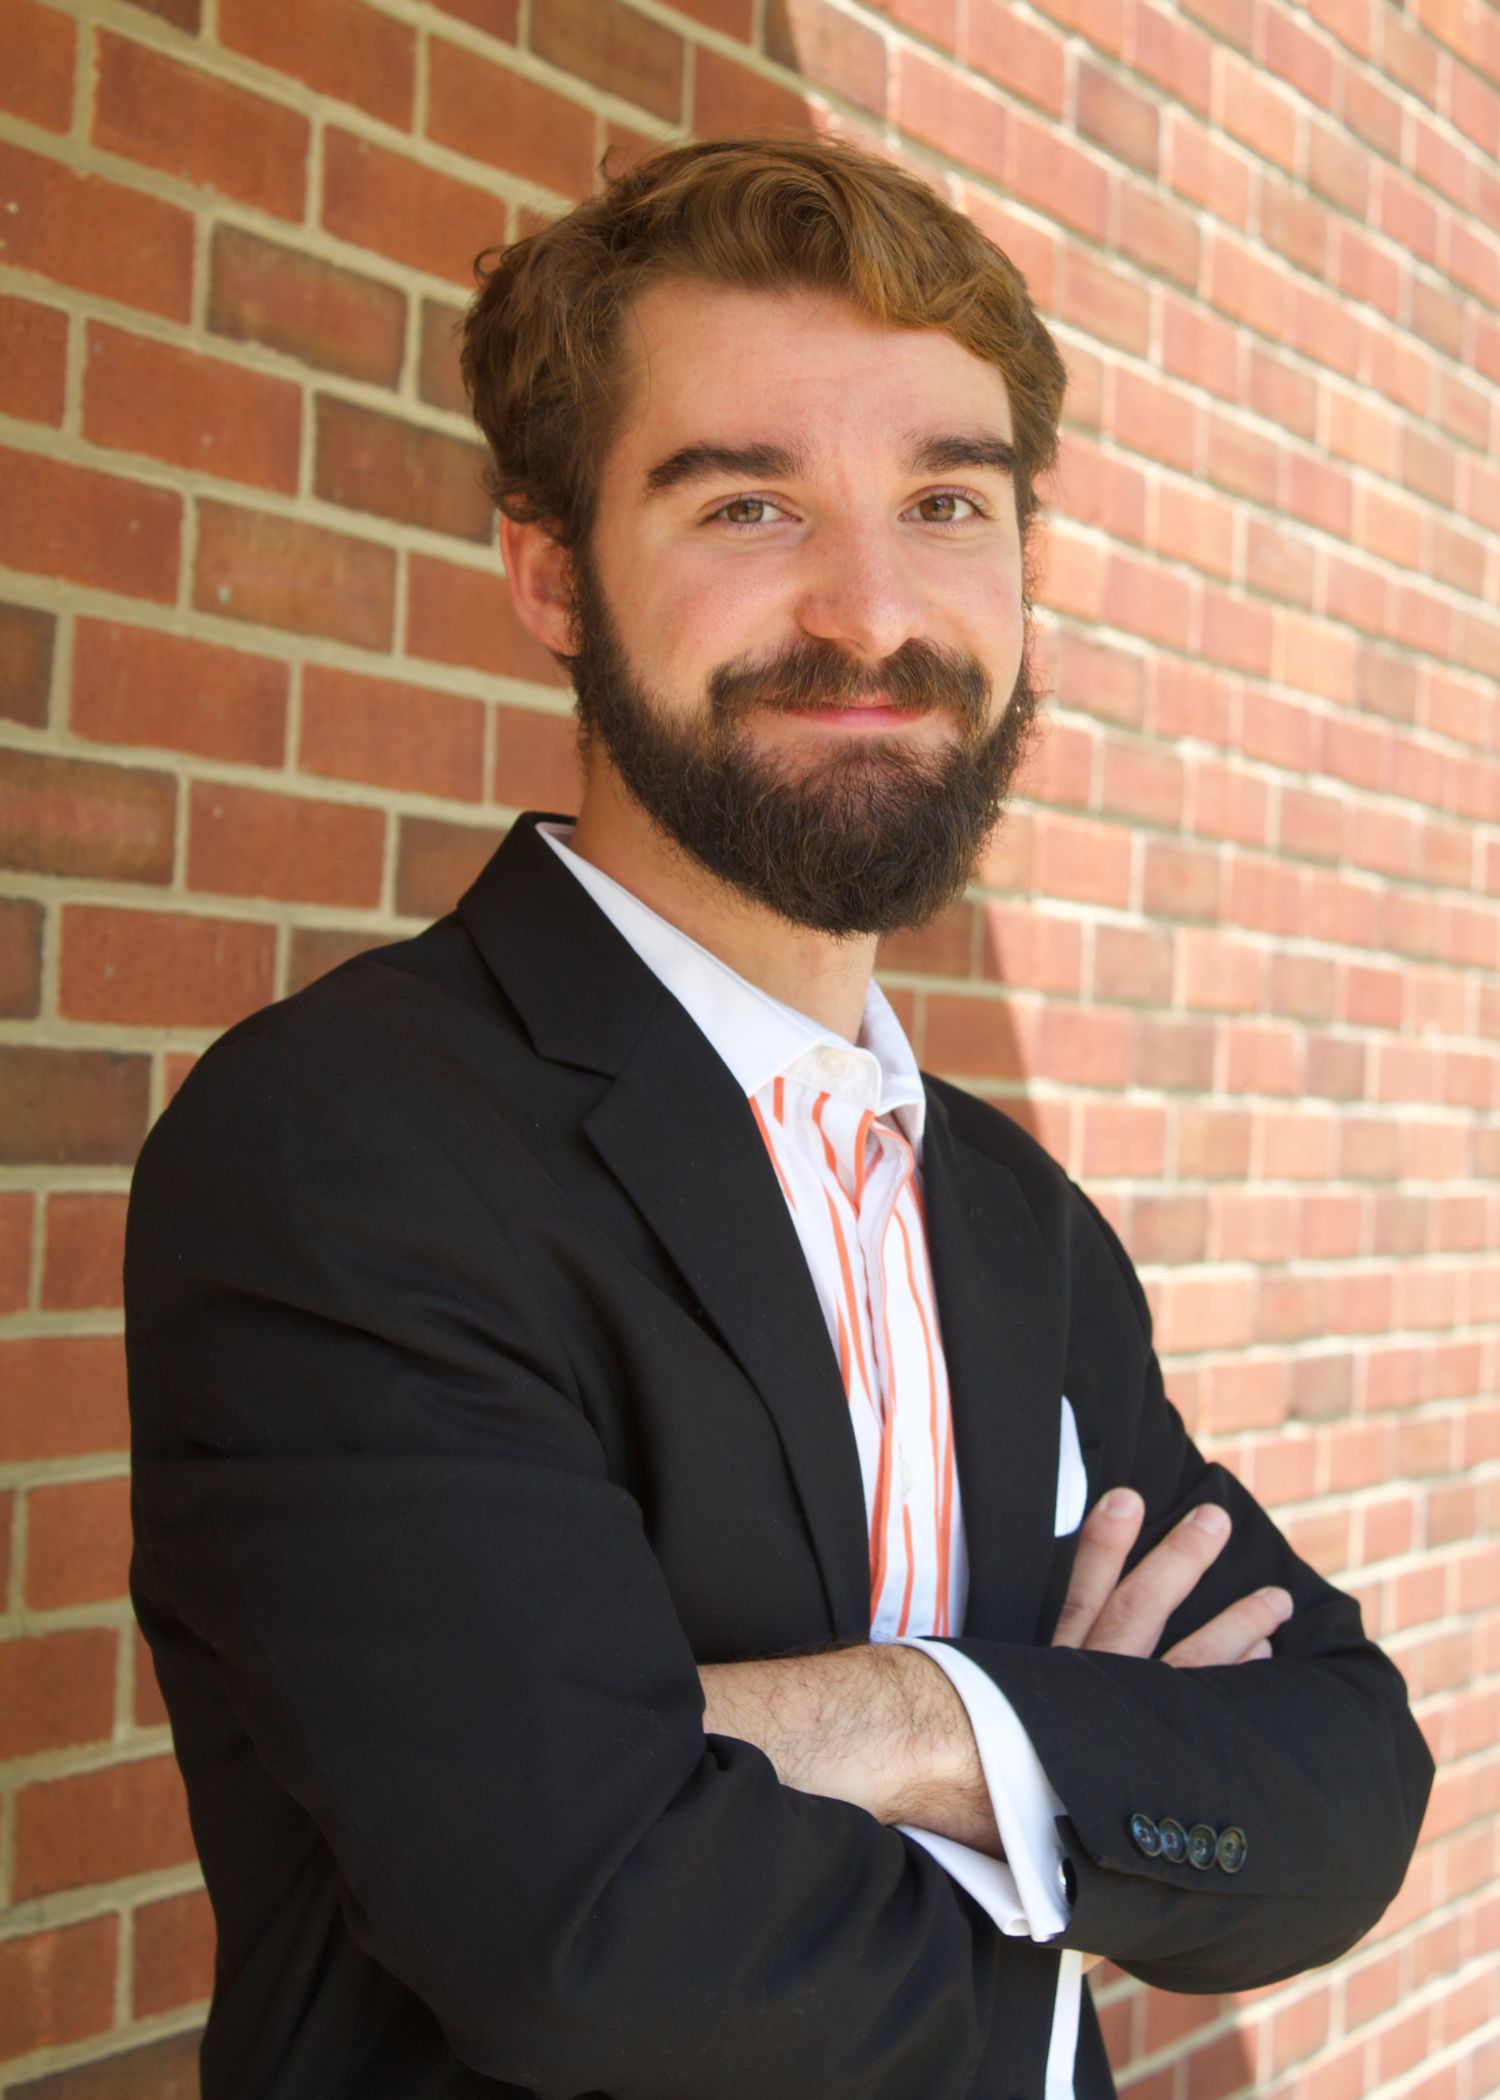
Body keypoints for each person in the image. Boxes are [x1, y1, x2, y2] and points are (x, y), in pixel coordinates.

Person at [126, 134, 1432, 2100]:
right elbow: (597, 1938)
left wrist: (915, 1722)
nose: (871, 609)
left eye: (945, 502)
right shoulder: (351, 1151)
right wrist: (1068, 1775)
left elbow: (1335, 1800)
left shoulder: (1010, 1214)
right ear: (550, 574)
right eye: (749, 503)